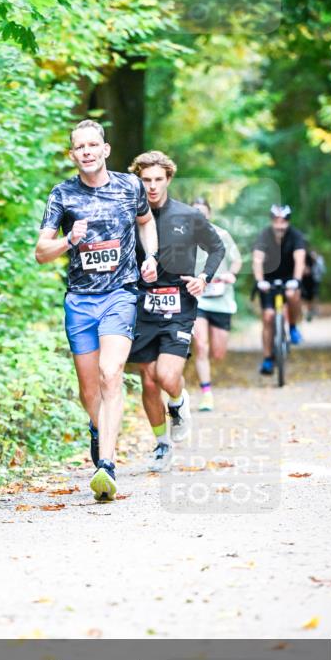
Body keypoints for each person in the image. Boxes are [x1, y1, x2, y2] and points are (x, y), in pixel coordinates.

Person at [35, 120, 159, 501]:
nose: (87, 151)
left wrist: (150, 255)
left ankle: (106, 464)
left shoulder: (130, 186)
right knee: (89, 387)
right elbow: (41, 252)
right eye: (79, 147)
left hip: (119, 294)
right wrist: (68, 242)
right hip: (80, 301)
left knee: (111, 373)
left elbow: (146, 221)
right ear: (73, 155)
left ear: (105, 149)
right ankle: (99, 429)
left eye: (93, 145)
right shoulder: (62, 195)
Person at [128, 152, 225, 471]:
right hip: (143, 304)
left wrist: (203, 278)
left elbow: (217, 248)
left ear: (169, 179)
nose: (152, 187)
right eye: (146, 180)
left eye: (158, 179)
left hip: (180, 303)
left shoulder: (189, 216)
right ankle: (161, 444)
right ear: (138, 180)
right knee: (148, 379)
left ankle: (179, 402)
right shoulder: (130, 216)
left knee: (167, 376)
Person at [191, 197, 242, 411]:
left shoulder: (222, 235)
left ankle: (207, 365)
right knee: (201, 345)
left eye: (202, 212)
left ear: (209, 214)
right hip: (198, 299)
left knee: (218, 353)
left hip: (221, 298)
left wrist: (231, 274)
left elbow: (237, 260)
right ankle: (206, 393)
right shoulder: (183, 237)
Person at [252, 204, 306, 375]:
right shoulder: (264, 235)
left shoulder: (296, 236)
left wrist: (296, 280)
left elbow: (300, 260)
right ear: (271, 221)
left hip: (289, 279)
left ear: (288, 222)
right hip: (268, 281)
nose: (280, 225)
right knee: (268, 317)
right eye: (276, 221)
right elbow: (257, 260)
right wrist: (259, 280)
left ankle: (292, 327)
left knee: (292, 294)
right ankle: (268, 358)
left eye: (283, 221)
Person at [302, 246, 326, 320]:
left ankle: (316, 310)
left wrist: (316, 261)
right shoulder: (307, 260)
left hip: (316, 280)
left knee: (315, 295)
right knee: (306, 296)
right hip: (308, 281)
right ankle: (308, 311)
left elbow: (323, 270)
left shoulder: (319, 260)